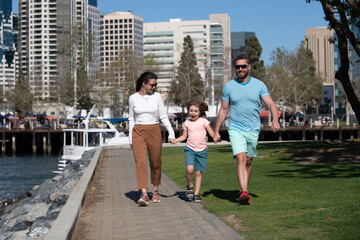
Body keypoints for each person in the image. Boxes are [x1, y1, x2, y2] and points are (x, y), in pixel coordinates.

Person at [213, 53, 280, 205]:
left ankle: (245, 190)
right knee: (241, 158)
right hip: (235, 128)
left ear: (249, 67)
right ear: (235, 69)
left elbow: (271, 104)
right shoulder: (229, 87)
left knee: (249, 161)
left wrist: (275, 120)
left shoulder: (259, 85)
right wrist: (216, 130)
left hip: (253, 129)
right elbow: (223, 109)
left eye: (243, 66)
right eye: (238, 67)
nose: (240, 69)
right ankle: (243, 192)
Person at [128, 71, 175, 206]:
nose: (153, 88)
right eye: (151, 85)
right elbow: (131, 118)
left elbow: (163, 116)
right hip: (138, 131)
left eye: (155, 85)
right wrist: (130, 138)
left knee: (155, 163)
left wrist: (171, 133)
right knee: (140, 161)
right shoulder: (133, 98)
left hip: (154, 130)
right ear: (143, 83)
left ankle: (155, 190)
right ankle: (144, 193)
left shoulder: (157, 97)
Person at [172, 100, 215, 203]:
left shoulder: (204, 122)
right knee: (189, 169)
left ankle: (196, 194)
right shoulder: (186, 123)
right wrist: (176, 140)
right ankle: (190, 186)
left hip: (202, 150)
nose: (193, 113)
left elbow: (211, 133)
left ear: (200, 112)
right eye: (191, 111)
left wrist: (215, 137)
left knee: (198, 173)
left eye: (195, 111)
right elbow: (183, 136)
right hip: (190, 149)